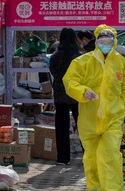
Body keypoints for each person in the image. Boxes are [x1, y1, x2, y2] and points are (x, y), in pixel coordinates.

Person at [63, 24, 125, 191]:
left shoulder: (121, 63)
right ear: (96, 41)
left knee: (110, 154)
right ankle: (95, 187)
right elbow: (69, 81)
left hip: (113, 117)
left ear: (114, 41)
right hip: (89, 118)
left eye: (108, 40)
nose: (105, 43)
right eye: (102, 40)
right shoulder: (83, 61)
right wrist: (82, 91)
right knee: (92, 155)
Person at [49, 28, 81, 165]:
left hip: (60, 96)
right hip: (77, 95)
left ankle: (62, 158)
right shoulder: (80, 56)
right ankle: (87, 155)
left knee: (61, 127)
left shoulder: (55, 56)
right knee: (83, 127)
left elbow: (54, 74)